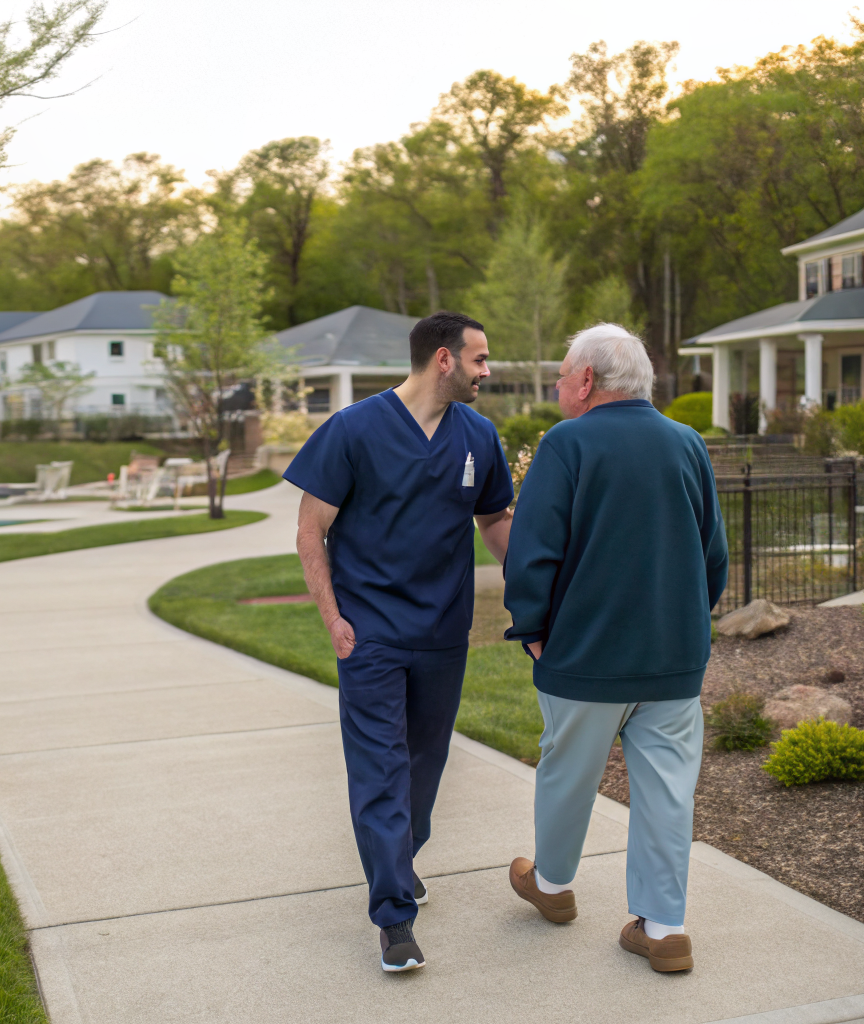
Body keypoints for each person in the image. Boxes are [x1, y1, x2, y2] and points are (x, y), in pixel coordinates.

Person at [286, 311, 514, 973]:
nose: (486, 371)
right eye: (479, 359)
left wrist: (534, 582)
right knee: (380, 770)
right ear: (443, 360)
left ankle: (400, 856)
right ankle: (393, 918)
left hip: (443, 633)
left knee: (423, 764)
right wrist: (332, 618)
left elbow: (494, 518)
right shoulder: (353, 429)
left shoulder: (478, 434)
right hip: (371, 635)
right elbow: (311, 530)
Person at [502, 323, 727, 973]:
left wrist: (533, 630)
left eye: (562, 372)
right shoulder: (687, 443)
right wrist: (687, 622)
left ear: (585, 381)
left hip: (584, 655)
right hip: (673, 658)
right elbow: (712, 553)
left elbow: (533, 550)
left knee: (566, 774)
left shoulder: (566, 443)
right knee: (666, 793)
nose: (556, 384)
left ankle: (550, 886)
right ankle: (663, 930)